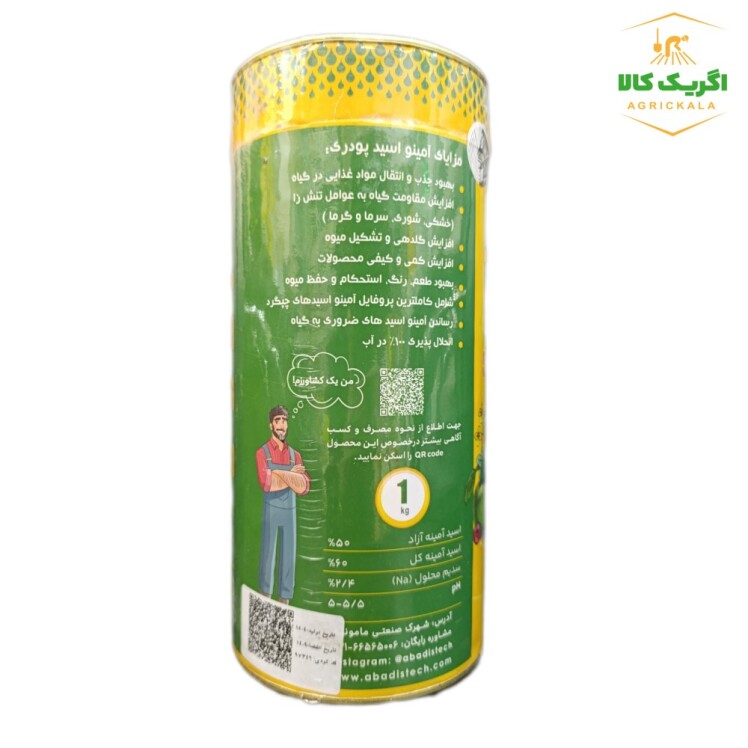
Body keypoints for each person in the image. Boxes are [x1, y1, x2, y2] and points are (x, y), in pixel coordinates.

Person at [254, 405, 310, 603]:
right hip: (271, 510)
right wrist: (291, 475)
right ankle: (265, 599)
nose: (281, 425)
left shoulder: (296, 455)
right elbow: (267, 483)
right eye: (277, 420)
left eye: (284, 421)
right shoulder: (262, 453)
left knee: (289, 557)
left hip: (289, 512)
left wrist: (278, 473)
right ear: (271, 425)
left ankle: (284, 602)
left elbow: (303, 487)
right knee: (268, 554)